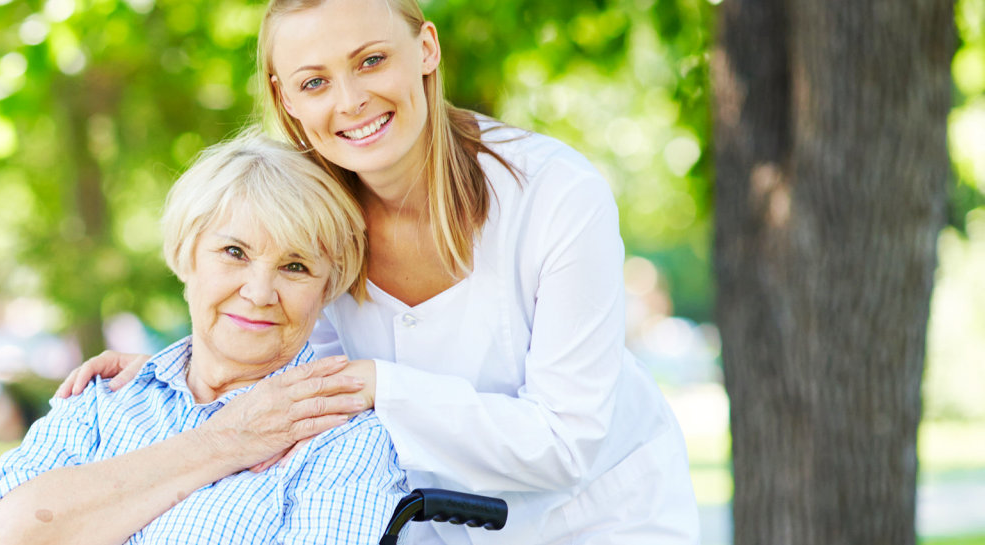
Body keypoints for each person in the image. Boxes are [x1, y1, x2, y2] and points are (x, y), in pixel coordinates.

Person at [55, 0, 699, 541]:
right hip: (424, 523)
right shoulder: (307, 220)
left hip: (600, 518)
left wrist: (375, 385)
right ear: (285, 97)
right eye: (314, 82)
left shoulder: (554, 195)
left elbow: (564, 442)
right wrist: (185, 366)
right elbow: (280, 347)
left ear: (425, 48)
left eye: (371, 61)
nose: (352, 100)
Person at [0, 136, 405, 545]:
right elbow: (10, 534)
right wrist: (225, 441)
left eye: (295, 267)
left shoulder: (342, 438)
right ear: (186, 253)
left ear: (327, 288)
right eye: (235, 252)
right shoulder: (103, 400)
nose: (258, 292)